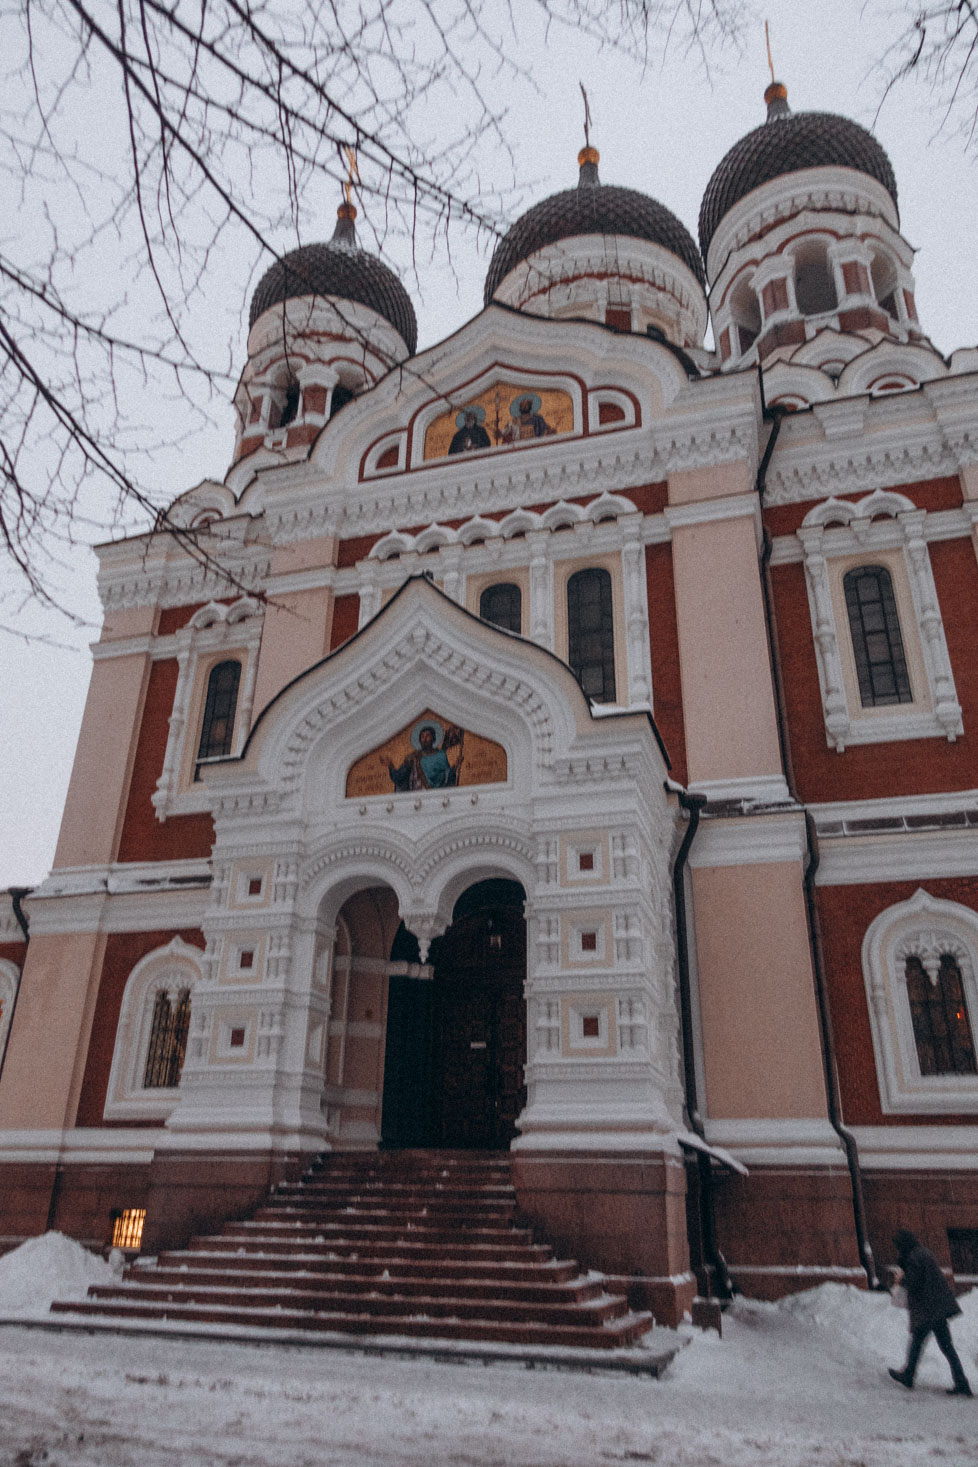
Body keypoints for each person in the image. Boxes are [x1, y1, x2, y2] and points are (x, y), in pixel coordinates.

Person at [889, 1228, 972, 1396]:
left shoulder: (913, 1257)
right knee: (946, 1347)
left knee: (918, 1342)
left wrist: (901, 1279)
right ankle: (961, 1383)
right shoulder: (923, 1253)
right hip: (936, 1307)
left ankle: (908, 1375)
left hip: (929, 1309)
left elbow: (913, 1282)